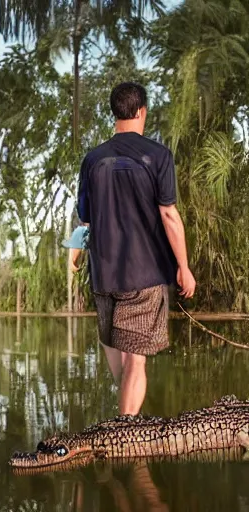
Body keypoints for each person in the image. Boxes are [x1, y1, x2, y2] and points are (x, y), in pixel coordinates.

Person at [77, 81, 196, 416]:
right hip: (143, 276)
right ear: (142, 111)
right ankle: (125, 434)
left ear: (115, 112)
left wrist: (75, 257)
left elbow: (85, 218)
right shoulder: (158, 156)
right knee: (136, 363)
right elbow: (169, 215)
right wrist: (183, 267)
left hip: (103, 277)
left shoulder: (92, 160)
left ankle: (125, 423)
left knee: (122, 356)